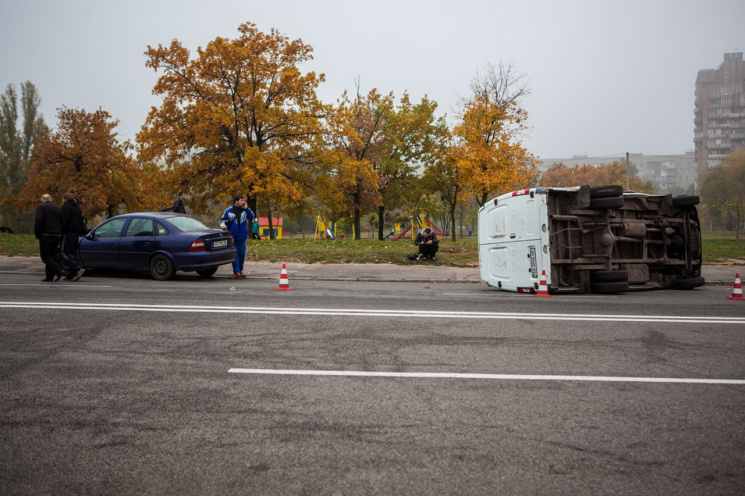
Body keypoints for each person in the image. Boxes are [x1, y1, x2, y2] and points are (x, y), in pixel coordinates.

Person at [221, 194, 255, 279]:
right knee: (235, 254)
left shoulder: (245, 210)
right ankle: (236, 271)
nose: (243, 202)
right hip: (233, 236)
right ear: (236, 201)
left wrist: (247, 208)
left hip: (242, 236)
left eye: (243, 200)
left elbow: (251, 217)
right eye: (241, 200)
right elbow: (222, 221)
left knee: (242, 254)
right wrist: (223, 226)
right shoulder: (229, 210)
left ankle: (240, 270)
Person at [34, 194, 64, 282]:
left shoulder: (41, 207)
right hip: (57, 235)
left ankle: (57, 270)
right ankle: (49, 277)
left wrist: (37, 233)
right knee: (52, 256)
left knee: (45, 256)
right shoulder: (58, 208)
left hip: (46, 235)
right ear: (51, 199)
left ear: (42, 200)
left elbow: (39, 221)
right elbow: (62, 222)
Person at [60, 192, 86, 281]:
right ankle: (70, 275)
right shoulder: (77, 207)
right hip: (76, 233)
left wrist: (61, 231)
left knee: (65, 252)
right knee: (73, 253)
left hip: (68, 233)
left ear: (64, 199)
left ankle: (77, 268)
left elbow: (64, 221)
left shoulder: (66, 207)